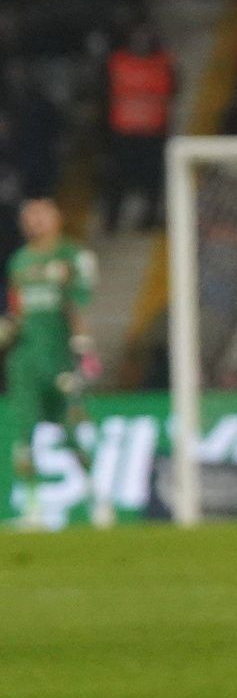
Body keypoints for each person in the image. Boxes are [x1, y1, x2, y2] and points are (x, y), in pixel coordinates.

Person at [2, 199, 109, 531]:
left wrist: (85, 351)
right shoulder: (19, 261)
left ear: (58, 217)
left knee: (72, 431)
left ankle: (98, 499)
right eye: (29, 216)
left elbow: (79, 306)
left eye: (42, 215)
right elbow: (17, 313)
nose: (35, 222)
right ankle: (33, 508)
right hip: (25, 361)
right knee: (23, 433)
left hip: (59, 357)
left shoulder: (72, 257)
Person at [103, 23, 178, 233]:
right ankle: (111, 221)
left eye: (146, 34)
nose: (141, 40)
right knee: (116, 179)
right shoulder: (117, 61)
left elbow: (174, 89)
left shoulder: (164, 62)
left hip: (154, 132)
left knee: (153, 180)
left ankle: (149, 219)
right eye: (137, 34)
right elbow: (104, 92)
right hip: (123, 132)